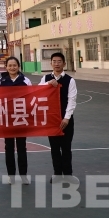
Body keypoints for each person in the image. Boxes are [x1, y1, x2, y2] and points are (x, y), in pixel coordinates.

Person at [39, 52, 78, 185]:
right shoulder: (45, 78)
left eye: (59, 61)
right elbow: (37, 91)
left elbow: (72, 100)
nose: (56, 64)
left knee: (66, 148)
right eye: (54, 61)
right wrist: (48, 84)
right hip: (51, 120)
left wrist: (66, 118)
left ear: (64, 64)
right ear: (51, 63)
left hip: (66, 120)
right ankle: (57, 174)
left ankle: (68, 175)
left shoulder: (70, 80)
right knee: (54, 149)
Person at [0, 57, 32, 185]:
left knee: (22, 147)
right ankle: (11, 175)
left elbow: (31, 98)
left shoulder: (26, 81)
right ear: (6, 67)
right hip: (7, 119)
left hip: (21, 118)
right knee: (9, 147)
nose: (12, 68)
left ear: (18, 66)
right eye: (10, 65)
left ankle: (23, 175)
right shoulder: (0, 81)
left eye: (14, 65)